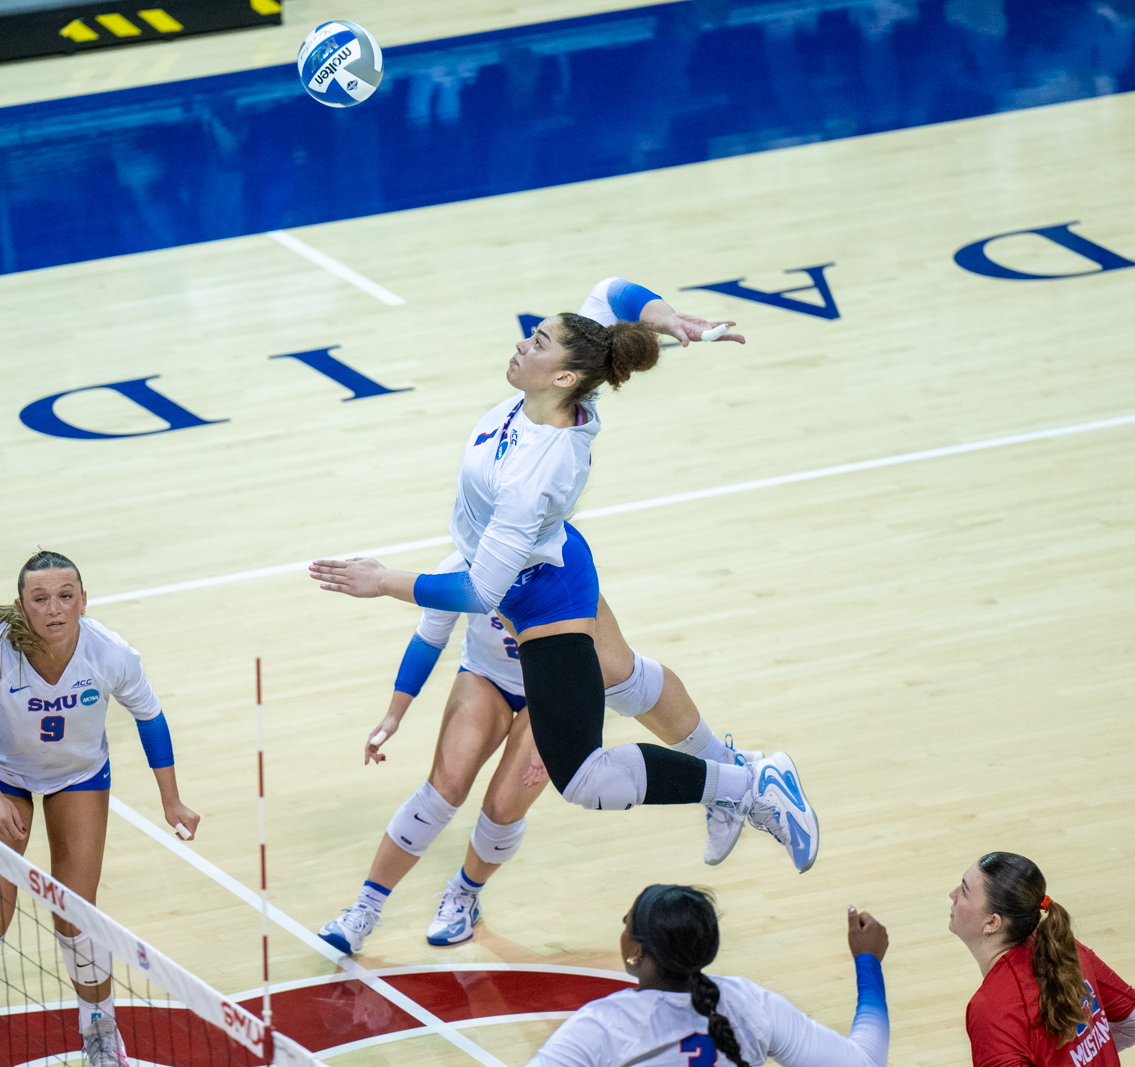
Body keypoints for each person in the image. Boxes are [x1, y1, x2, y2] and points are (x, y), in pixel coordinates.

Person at [309, 276, 819, 874]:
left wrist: (384, 580)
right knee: (623, 680)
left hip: (541, 595)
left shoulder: (537, 472)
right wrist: (671, 318)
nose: (526, 342)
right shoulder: (569, 375)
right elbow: (613, 290)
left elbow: (480, 592)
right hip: (550, 558)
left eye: (540, 341)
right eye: (534, 333)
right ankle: (737, 772)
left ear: (563, 377)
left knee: (584, 779)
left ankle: (748, 789)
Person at [318, 575, 761, 955]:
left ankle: (463, 896)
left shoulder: (565, 573)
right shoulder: (461, 567)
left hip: (549, 692)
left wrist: (566, 745)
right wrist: (394, 715)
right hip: (485, 677)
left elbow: (597, 665)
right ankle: (364, 910)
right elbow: (430, 635)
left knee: (503, 807)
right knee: (445, 787)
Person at [0, 550, 201, 1067]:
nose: (54, 608)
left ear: (84, 600)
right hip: (3, 773)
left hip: (78, 775)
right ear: (22, 605)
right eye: (40, 599)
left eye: (66, 596)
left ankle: (100, 1027)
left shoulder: (112, 654)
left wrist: (170, 799)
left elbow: (150, 718)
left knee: (76, 916)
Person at [527, 885, 890, 1067]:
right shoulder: (750, 1004)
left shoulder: (603, 1025)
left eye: (626, 925)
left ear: (637, 950)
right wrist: (867, 961)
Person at [951, 852, 1135, 1067]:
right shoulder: (1062, 949)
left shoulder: (992, 1008)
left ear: (992, 922)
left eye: (964, 891)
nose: (952, 894)